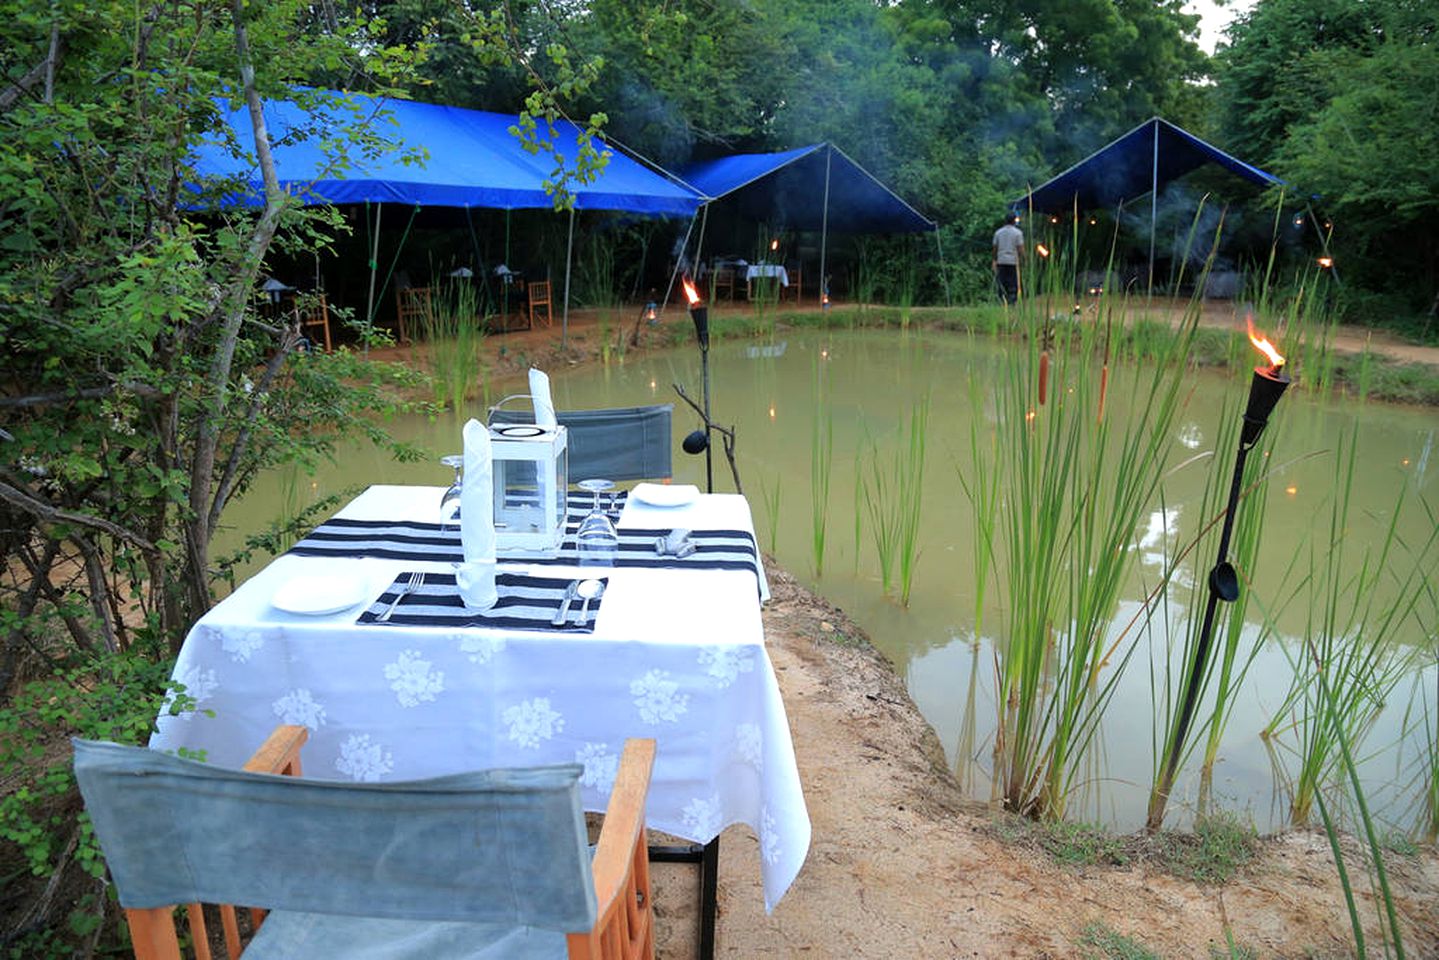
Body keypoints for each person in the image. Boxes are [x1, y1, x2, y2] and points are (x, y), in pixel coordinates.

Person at [992, 212, 1023, 304]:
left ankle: (1002, 300)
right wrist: (1024, 259)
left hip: (1001, 260)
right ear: (1014, 221)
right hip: (1013, 261)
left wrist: (994, 260)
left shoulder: (998, 232)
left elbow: (995, 248)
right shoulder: (1018, 233)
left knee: (1002, 281)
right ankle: (1012, 301)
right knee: (1013, 282)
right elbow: (1020, 248)